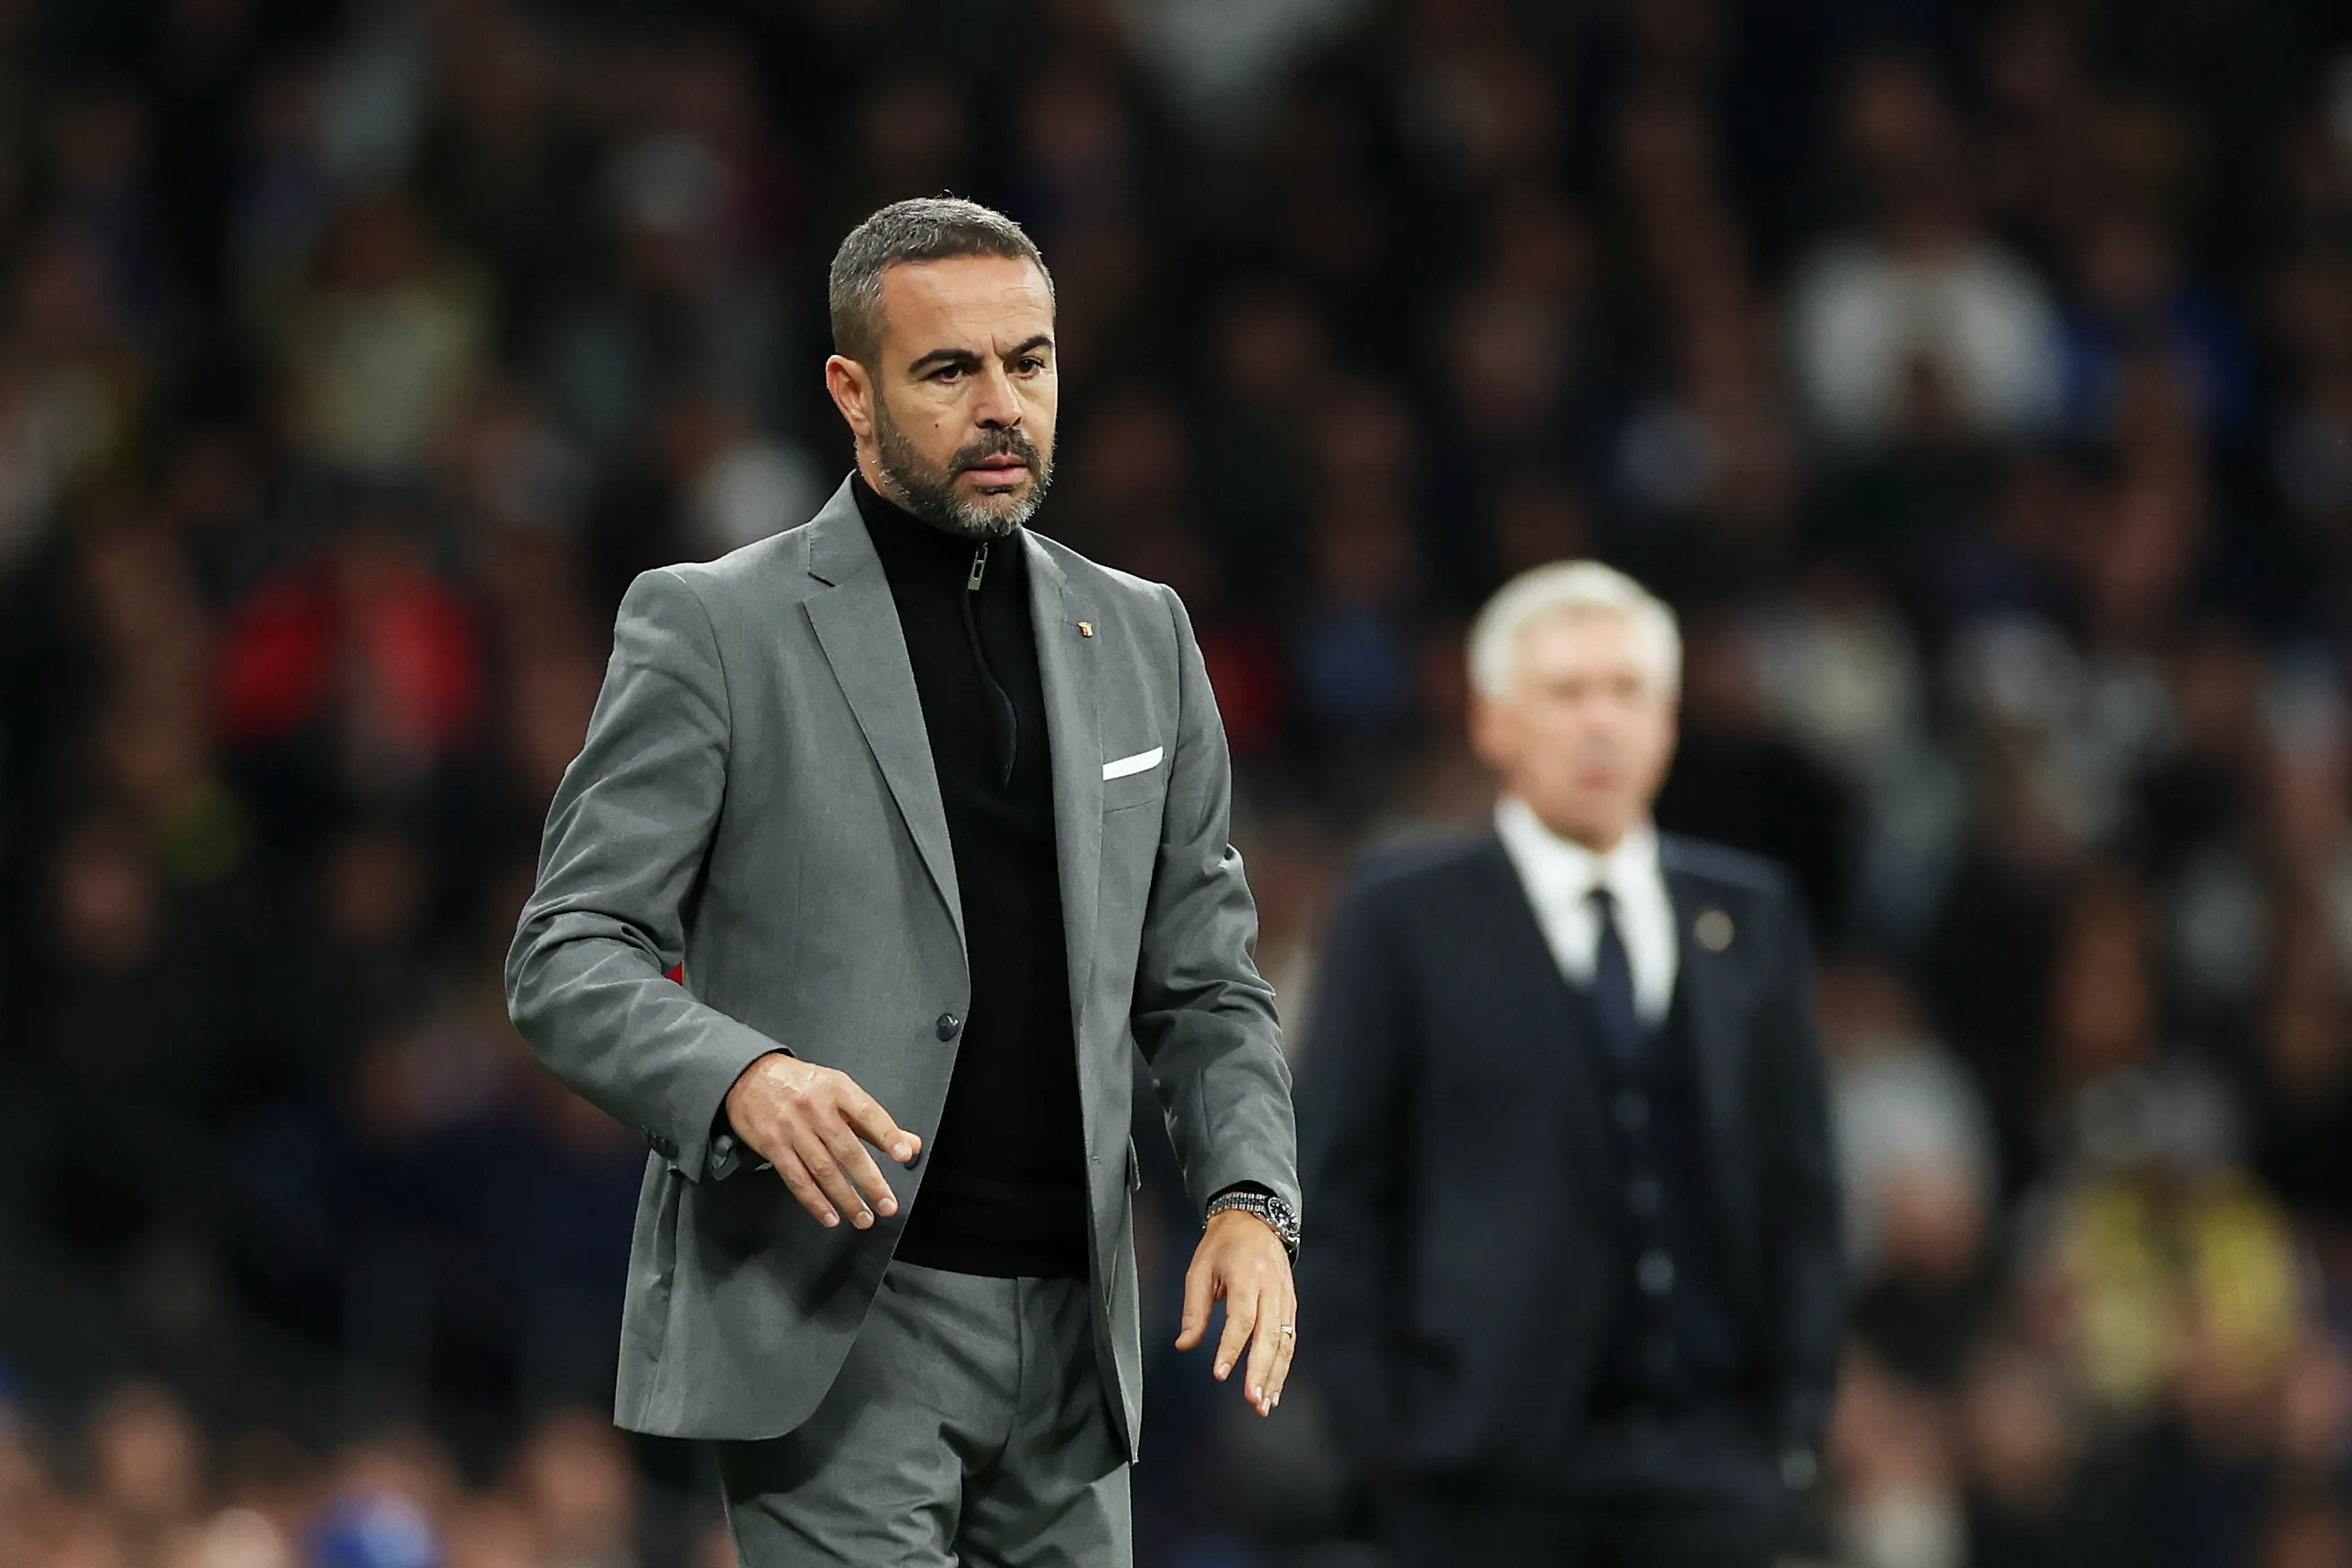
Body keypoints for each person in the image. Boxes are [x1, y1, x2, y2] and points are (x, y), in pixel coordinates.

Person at [507, 197, 1301, 1567]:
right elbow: (568, 952)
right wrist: (740, 1078)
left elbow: (1205, 983)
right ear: (851, 393)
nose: (1002, 405)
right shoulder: (713, 625)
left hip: (1075, 1338)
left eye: (1029, 364)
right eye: (950, 371)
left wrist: (1248, 1199)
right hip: (839, 1324)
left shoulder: (1147, 638)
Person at [1298, 562, 1842, 1567]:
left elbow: (1799, 1187)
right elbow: (1337, 1190)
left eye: (1627, 691)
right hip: (1477, 1481)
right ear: (1493, 722)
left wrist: (1795, 1422)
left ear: (1669, 720)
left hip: (1714, 1472)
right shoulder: (1400, 913)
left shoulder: (1751, 914)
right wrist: (1384, 1439)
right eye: (1566, 692)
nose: (1601, 723)